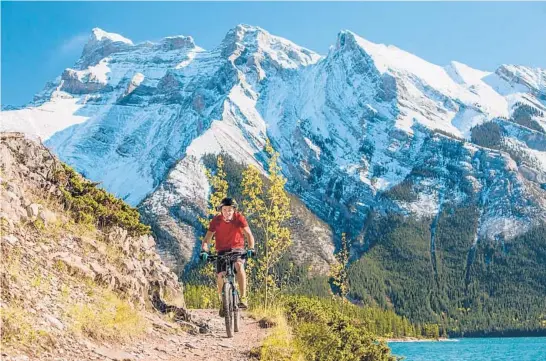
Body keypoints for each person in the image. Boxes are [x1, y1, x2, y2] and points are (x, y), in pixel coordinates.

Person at [200, 197, 255, 313]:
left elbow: (249, 235)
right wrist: (204, 250)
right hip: (222, 251)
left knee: (239, 266)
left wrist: (251, 248)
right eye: (225, 210)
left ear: (234, 210)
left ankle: (243, 298)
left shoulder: (239, 218)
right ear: (221, 210)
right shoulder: (216, 221)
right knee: (220, 275)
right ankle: (223, 301)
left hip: (237, 248)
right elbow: (207, 239)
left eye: (230, 210)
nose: (227, 212)